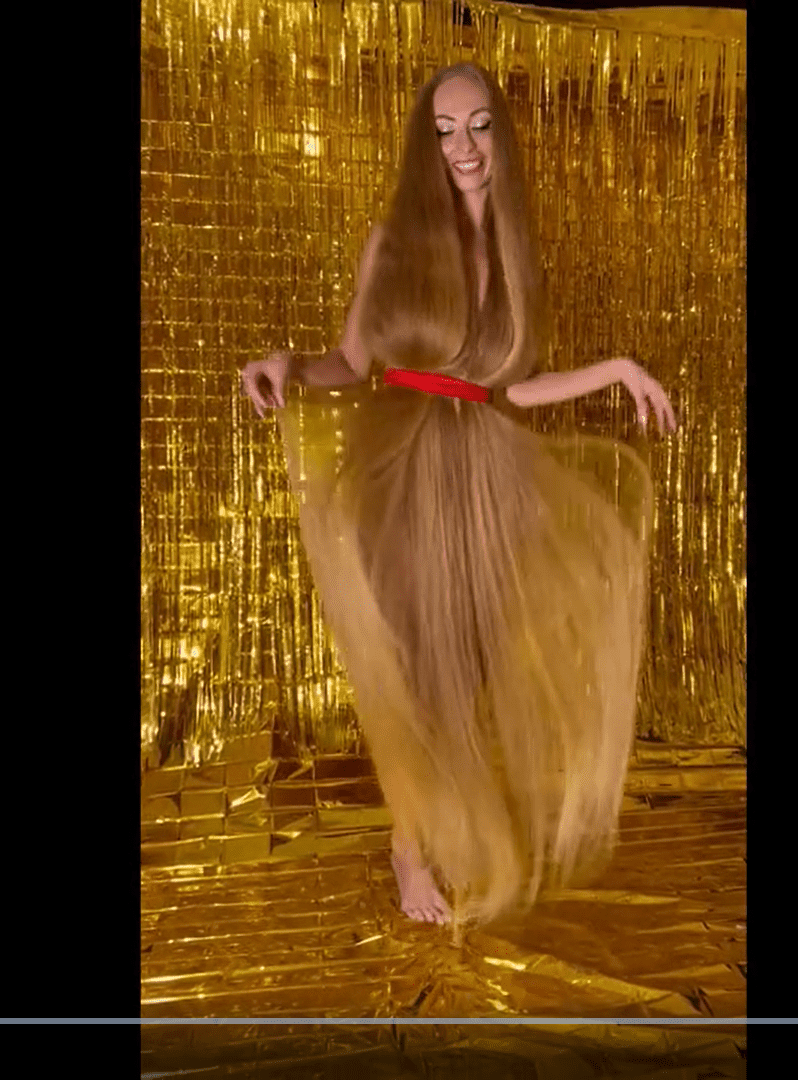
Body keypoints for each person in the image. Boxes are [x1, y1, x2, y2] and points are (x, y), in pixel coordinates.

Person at [239, 63, 678, 929]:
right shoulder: (393, 244)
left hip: (484, 475)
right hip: (403, 465)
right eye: (443, 130)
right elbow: (351, 363)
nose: (463, 146)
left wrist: (619, 369)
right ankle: (408, 848)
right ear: (426, 144)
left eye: (477, 125)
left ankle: (429, 824)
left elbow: (511, 389)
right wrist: (287, 363)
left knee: (468, 668)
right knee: (415, 668)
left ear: (498, 135)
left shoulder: (513, 253)